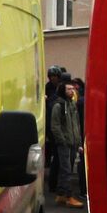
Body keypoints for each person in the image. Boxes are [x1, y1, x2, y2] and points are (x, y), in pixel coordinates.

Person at [50, 81, 85, 208]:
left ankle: (61, 194)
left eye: (73, 89)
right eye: (69, 89)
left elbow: (77, 125)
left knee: (66, 169)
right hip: (65, 143)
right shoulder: (59, 106)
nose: (72, 91)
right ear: (63, 91)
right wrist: (63, 141)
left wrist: (79, 142)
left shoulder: (72, 105)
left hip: (72, 143)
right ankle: (69, 196)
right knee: (66, 170)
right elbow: (55, 126)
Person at [44, 66, 64, 196]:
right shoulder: (47, 88)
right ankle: (53, 184)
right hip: (51, 125)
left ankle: (54, 183)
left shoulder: (60, 88)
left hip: (57, 124)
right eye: (51, 77)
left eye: (55, 76)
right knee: (56, 156)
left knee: (58, 156)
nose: (53, 79)